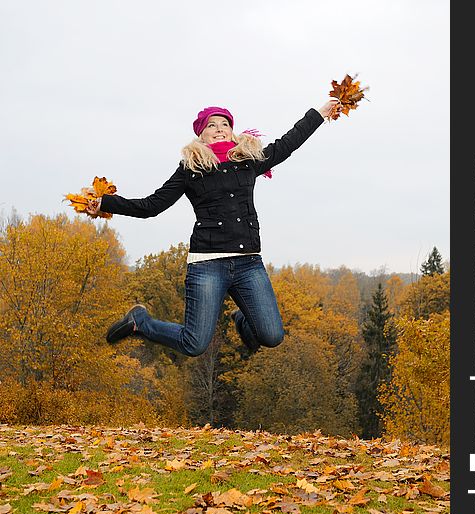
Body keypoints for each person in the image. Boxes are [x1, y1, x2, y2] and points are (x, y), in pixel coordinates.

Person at [86, 98, 341, 356]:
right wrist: (105, 203)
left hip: (248, 262)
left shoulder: (248, 161)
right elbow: (151, 206)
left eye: (225, 124)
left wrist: (319, 114)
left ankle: (243, 319)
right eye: (212, 125)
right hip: (208, 264)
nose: (219, 128)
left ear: (232, 131)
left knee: (272, 336)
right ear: (201, 135)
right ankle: (141, 322)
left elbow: (288, 144)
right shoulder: (190, 170)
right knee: (193, 344)